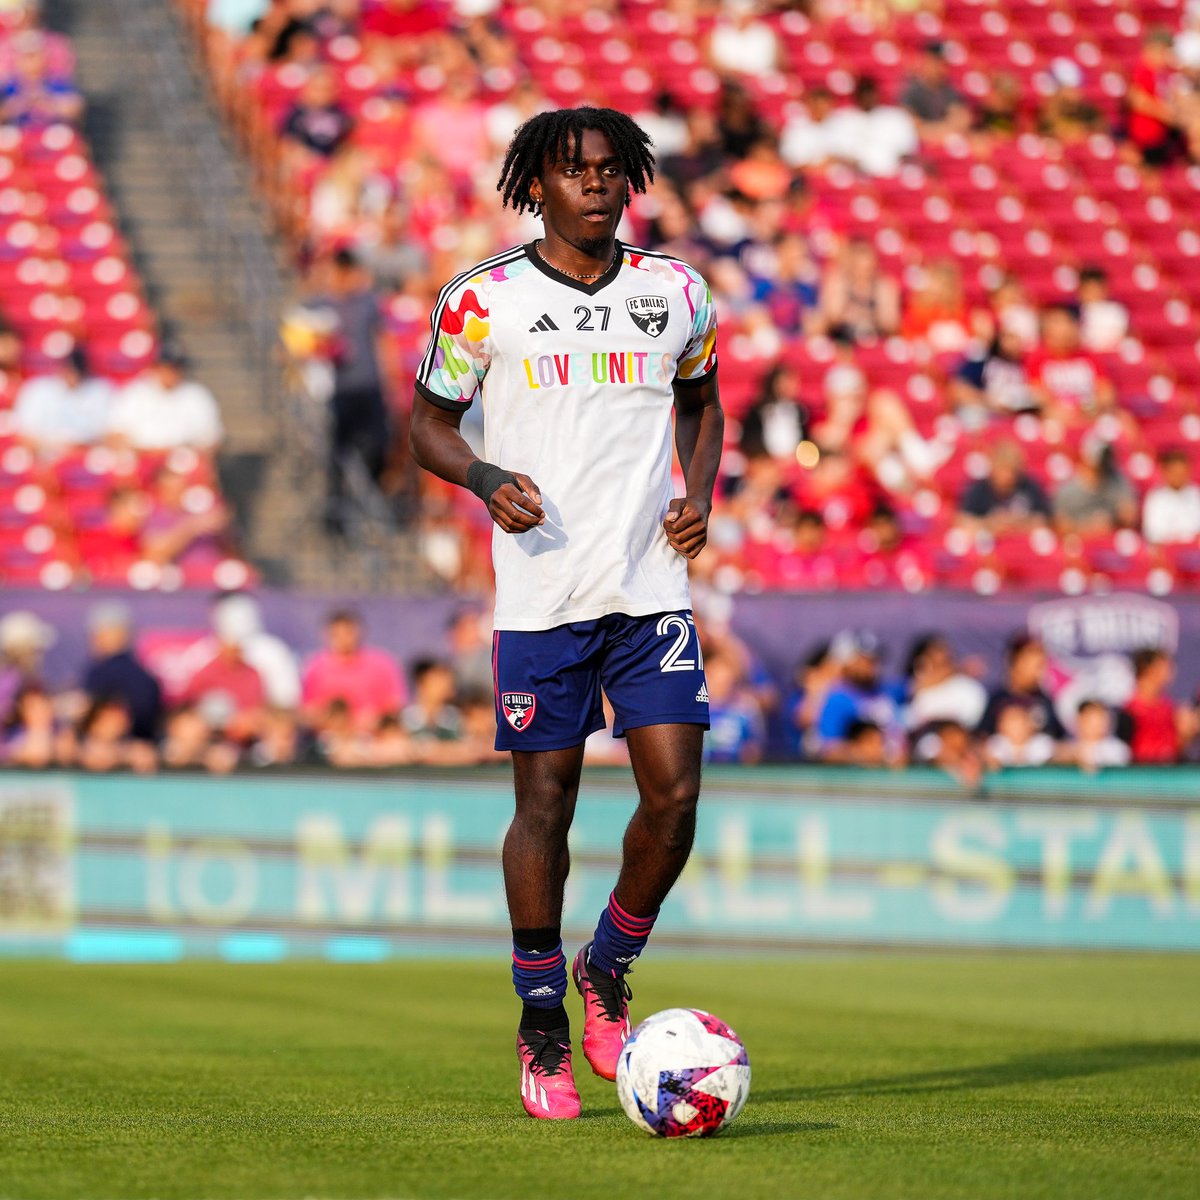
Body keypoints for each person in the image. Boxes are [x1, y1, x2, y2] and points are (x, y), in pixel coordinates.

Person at [408, 107, 722, 1121]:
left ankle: (609, 965)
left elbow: (704, 400)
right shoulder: (481, 301)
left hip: (649, 591)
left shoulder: (673, 291)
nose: (594, 184)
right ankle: (543, 1017)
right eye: (572, 170)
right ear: (533, 185)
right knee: (547, 810)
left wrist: (700, 492)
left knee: (674, 798)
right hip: (543, 598)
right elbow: (427, 426)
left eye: (609, 170)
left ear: (631, 180)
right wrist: (486, 475)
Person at [301, 608, 406, 733]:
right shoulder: (315, 667)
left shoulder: (382, 663)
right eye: (336, 634)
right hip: (330, 738)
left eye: (348, 632)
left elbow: (395, 705)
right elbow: (308, 711)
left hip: (374, 738)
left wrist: (375, 719)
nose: (343, 638)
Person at [107, 346, 224, 452]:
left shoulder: (196, 394)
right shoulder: (135, 393)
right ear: (155, 368)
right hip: (141, 455)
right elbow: (114, 435)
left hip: (181, 457)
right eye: (167, 367)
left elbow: (212, 439)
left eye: (177, 367)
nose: (172, 373)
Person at [81, 601, 163, 744]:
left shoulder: (100, 673)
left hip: (108, 751)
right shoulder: (145, 675)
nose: (94, 639)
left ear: (117, 634)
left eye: (98, 633)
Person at [12, 346, 113, 452]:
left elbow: (111, 433)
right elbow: (25, 433)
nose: (74, 376)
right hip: (45, 452)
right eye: (71, 370)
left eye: (78, 371)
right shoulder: (38, 389)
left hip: (88, 451)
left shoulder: (101, 389)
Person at [978, 632, 1066, 741]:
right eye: (1035, 665)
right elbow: (981, 739)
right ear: (1016, 662)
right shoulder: (998, 701)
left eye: (1042, 665)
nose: (1040, 672)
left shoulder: (1045, 702)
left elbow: (1059, 741)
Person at [955, 441, 1052, 533]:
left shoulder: (1030, 486)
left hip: (1023, 541)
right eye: (1002, 469)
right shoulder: (978, 489)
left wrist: (1015, 523)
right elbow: (963, 520)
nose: (1006, 477)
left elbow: (1044, 519)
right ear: (993, 468)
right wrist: (990, 523)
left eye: (1010, 471)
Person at [1052, 439, 1138, 537]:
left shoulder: (1117, 480)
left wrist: (1112, 520)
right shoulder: (1067, 490)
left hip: (1111, 538)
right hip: (1082, 541)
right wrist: (1090, 527)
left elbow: (1130, 517)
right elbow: (1062, 528)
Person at [1143, 449, 1200, 545]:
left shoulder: (1196, 494)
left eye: (1182, 472)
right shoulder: (1156, 498)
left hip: (1195, 550)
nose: (1179, 477)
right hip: (1167, 551)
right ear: (1166, 472)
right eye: (1175, 473)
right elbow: (1152, 533)